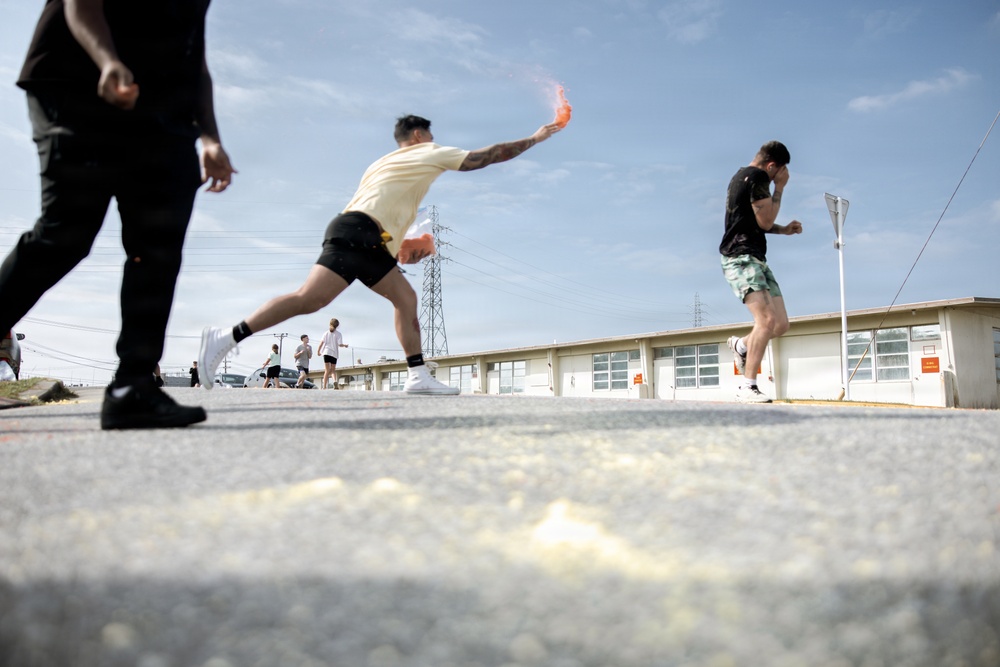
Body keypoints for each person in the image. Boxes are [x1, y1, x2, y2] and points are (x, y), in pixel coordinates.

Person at [199, 114, 561, 394]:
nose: (434, 141)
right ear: (418, 136)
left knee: (402, 298)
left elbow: (383, 206)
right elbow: (484, 157)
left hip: (363, 233)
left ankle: (417, 375)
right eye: (430, 136)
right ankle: (226, 337)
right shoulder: (427, 152)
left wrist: (399, 247)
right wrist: (535, 137)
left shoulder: (382, 163)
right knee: (310, 299)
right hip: (360, 232)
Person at [0, 0, 235, 429]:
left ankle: (133, 387)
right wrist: (107, 60)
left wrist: (210, 137)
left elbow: (194, 54)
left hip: (161, 107)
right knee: (66, 232)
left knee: (158, 244)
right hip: (78, 81)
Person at [719, 140, 803, 403]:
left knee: (780, 324)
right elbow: (765, 220)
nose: (781, 176)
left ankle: (741, 345)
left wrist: (784, 230)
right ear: (772, 166)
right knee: (765, 320)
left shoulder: (740, 176)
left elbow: (754, 222)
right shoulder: (758, 177)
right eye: (780, 171)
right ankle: (747, 386)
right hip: (741, 258)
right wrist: (780, 188)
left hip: (755, 257)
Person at [317, 318, 347, 389]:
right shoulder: (339, 334)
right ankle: (334, 381)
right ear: (337, 326)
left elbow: (321, 343)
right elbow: (340, 344)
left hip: (326, 352)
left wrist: (318, 351)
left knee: (327, 370)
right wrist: (345, 345)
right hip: (334, 354)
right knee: (333, 370)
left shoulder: (326, 333)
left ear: (330, 324)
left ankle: (324, 386)